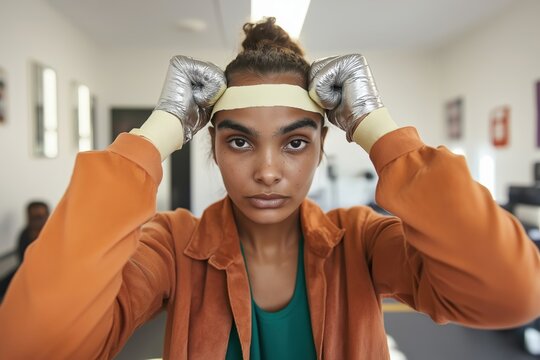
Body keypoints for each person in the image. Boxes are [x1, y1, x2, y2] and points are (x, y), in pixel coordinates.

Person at [1, 18, 539, 359]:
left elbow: (511, 294)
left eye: (294, 144)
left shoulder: (361, 242)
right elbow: (31, 345)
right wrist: (158, 130)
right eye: (239, 143)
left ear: (324, 146)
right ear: (211, 146)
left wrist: (377, 127)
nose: (267, 171)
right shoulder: (172, 246)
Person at [0, 201, 49, 298]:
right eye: (34, 217)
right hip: (26, 271)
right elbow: (22, 260)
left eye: (40, 217)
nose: (37, 221)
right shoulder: (24, 234)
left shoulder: (54, 235)